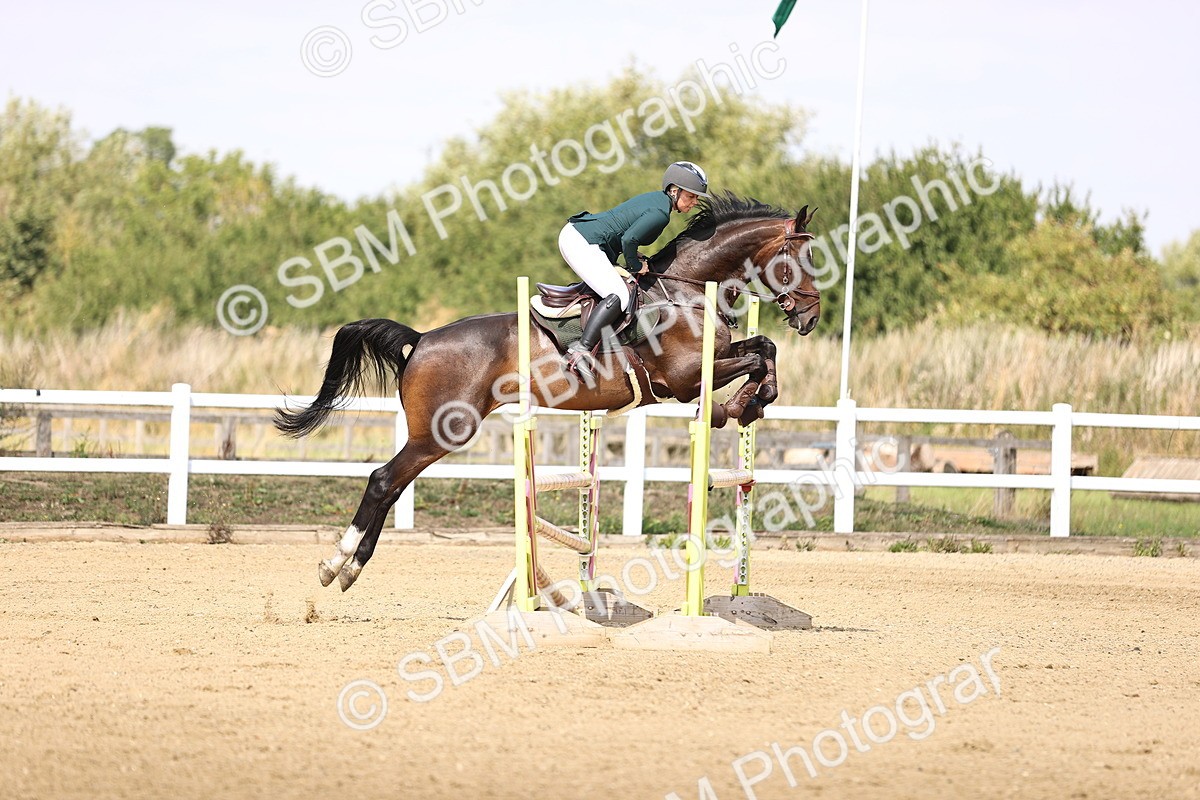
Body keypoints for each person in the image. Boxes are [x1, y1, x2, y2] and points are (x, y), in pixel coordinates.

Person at [558, 161, 710, 381]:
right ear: (674, 190)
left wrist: (634, 257)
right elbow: (629, 239)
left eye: (697, 198)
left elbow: (626, 236)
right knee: (619, 295)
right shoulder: (661, 213)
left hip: (580, 237)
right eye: (691, 196)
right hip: (581, 242)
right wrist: (637, 266)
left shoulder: (657, 202)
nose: (694, 202)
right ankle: (580, 351)